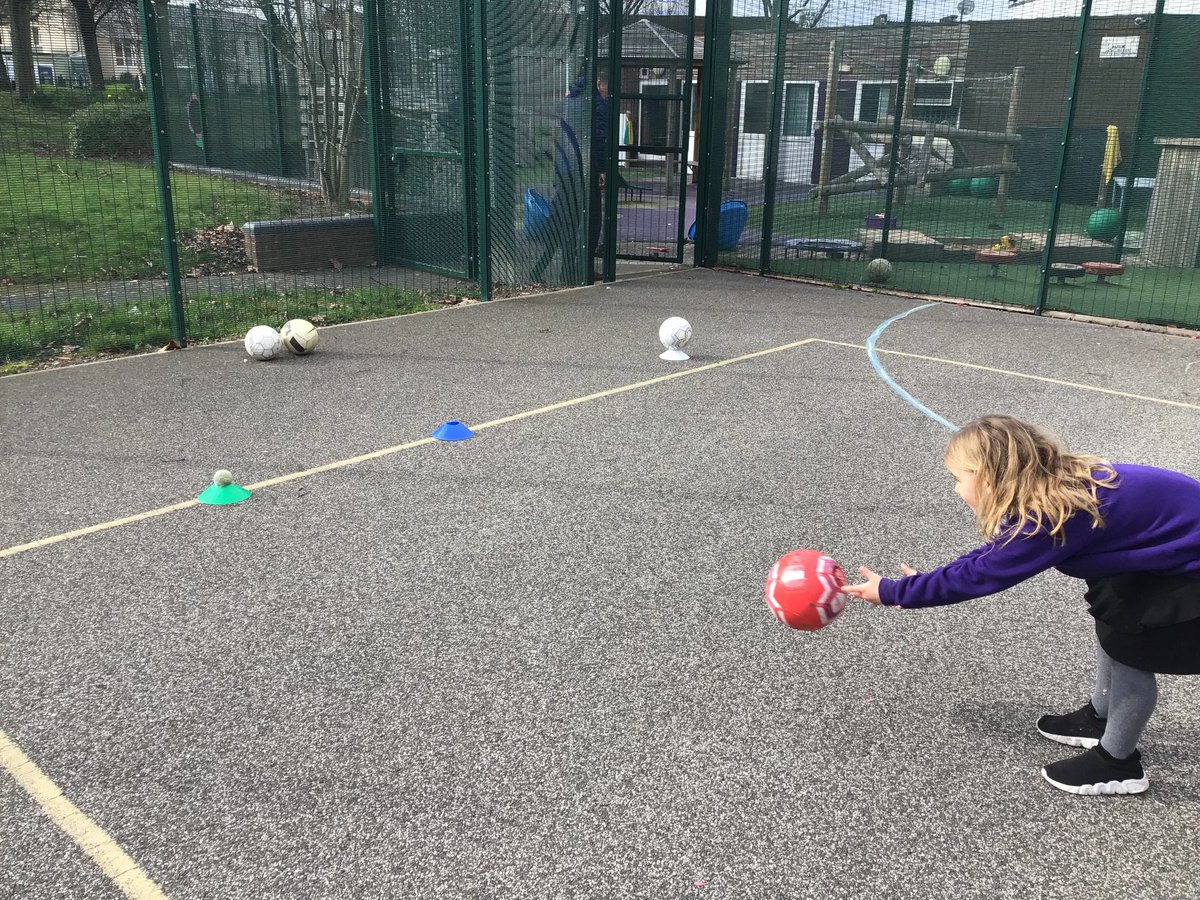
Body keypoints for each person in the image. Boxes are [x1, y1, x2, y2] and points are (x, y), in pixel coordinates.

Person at [841, 415, 1200, 795]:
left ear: (988, 478)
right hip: (1165, 558)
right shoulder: (1049, 485)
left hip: (1188, 570)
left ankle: (1118, 763)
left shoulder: (1053, 516)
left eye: (958, 479)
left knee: (1131, 651)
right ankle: (1100, 718)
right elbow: (995, 553)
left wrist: (896, 592)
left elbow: (984, 574)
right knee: (1115, 622)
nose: (955, 489)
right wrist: (913, 587)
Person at [531, 71, 608, 285]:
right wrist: (602, 169)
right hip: (585, 171)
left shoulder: (566, 102)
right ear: (598, 83)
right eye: (607, 89)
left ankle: (552, 269)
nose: (607, 94)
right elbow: (599, 139)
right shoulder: (596, 105)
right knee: (592, 220)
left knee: (565, 220)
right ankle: (581, 269)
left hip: (564, 170)